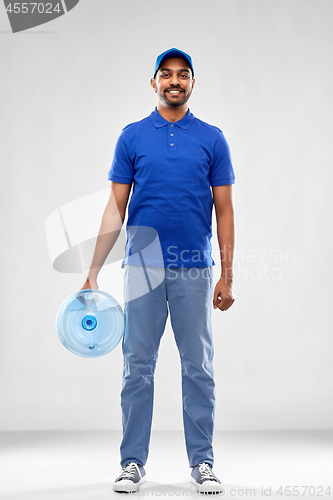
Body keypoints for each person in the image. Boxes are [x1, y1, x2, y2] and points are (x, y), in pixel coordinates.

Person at [81, 48, 236, 494]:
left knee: (198, 368)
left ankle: (202, 464)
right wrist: (92, 272)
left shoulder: (212, 139)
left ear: (191, 83)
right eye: (165, 75)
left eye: (182, 75)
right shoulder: (132, 137)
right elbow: (115, 210)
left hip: (194, 270)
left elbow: (224, 211)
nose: (174, 81)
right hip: (142, 270)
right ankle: (132, 464)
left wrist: (227, 275)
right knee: (136, 367)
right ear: (154, 83)